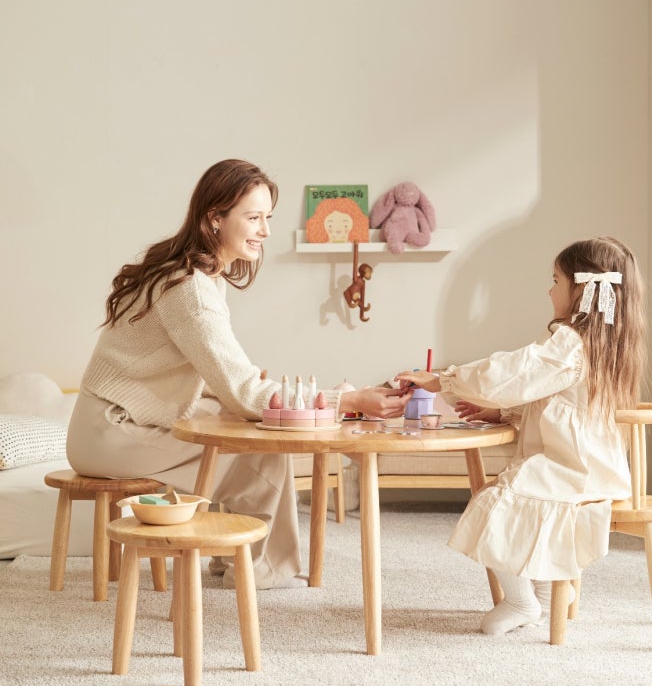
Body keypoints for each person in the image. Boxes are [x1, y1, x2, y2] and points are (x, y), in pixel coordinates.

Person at [67, 158, 410, 590]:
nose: (264, 231)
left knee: (247, 427)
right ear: (215, 218)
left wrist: (303, 397)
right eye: (253, 218)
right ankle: (257, 569)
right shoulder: (190, 288)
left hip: (118, 423)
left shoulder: (203, 278)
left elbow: (225, 381)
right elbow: (245, 391)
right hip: (112, 432)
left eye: (268, 218)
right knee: (260, 449)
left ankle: (237, 558)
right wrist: (349, 401)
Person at [395, 237, 646, 635]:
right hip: (591, 468)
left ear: (582, 289)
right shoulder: (604, 345)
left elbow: (516, 372)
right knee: (523, 501)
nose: (549, 290)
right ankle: (545, 597)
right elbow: (558, 399)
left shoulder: (570, 345)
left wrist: (444, 379)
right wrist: (503, 412)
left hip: (574, 470)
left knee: (495, 502)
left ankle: (520, 601)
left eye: (556, 281)